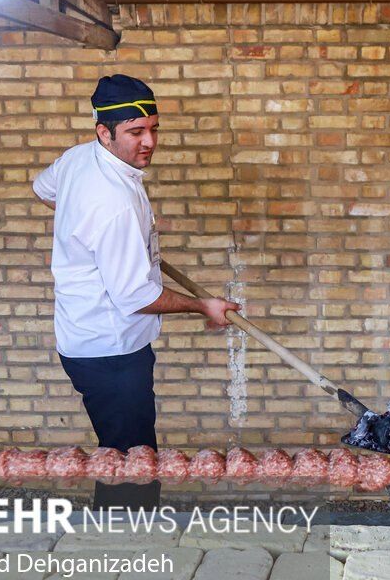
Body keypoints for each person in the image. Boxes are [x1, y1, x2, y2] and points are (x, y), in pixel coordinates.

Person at [33, 74, 239, 509]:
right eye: (135, 132)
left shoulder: (78, 159)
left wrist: (95, 236)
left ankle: (124, 531)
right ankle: (127, 543)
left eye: (154, 129)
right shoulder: (113, 204)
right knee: (132, 457)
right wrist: (204, 305)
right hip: (110, 348)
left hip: (84, 337)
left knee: (121, 448)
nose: (148, 142)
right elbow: (137, 298)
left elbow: (43, 189)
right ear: (103, 132)